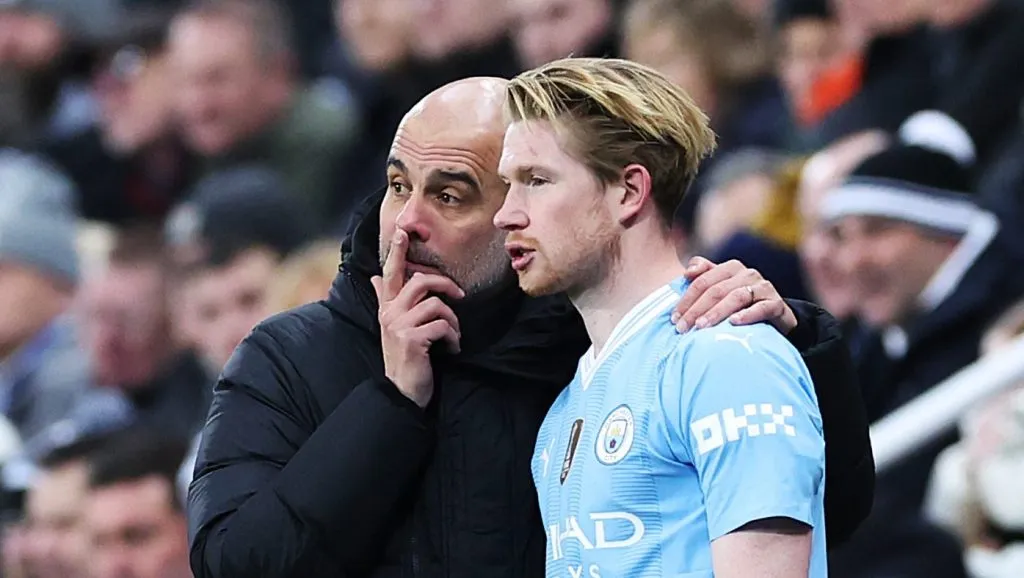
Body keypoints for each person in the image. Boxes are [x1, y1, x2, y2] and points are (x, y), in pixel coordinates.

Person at [186, 76, 872, 578]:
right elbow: (236, 565)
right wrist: (390, 407)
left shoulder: (617, 345)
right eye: (398, 185)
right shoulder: (289, 356)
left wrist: (798, 341)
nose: (406, 221)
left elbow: (823, 512)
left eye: (453, 194)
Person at [493, 57, 826, 578]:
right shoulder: (563, 409)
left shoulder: (727, 358)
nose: (506, 212)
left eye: (536, 180)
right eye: (507, 184)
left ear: (629, 191)